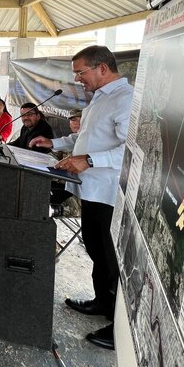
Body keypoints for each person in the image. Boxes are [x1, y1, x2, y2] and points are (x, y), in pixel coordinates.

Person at [29, 45, 133, 351]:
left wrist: (90, 161)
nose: (78, 79)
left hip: (108, 191)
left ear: (102, 68)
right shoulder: (99, 98)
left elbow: (131, 150)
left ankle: (121, 331)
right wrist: (55, 141)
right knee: (96, 249)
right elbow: (82, 138)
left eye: (80, 72)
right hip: (90, 190)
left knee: (111, 258)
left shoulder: (125, 100)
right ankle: (102, 302)